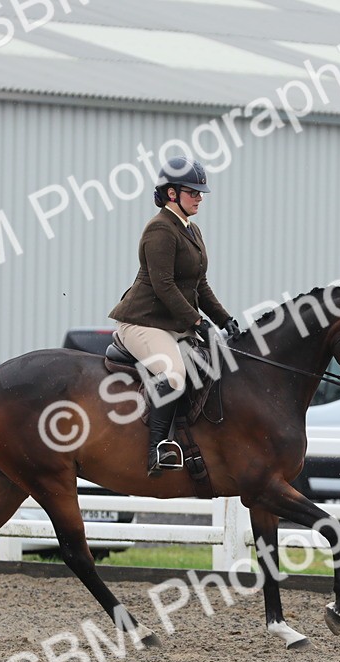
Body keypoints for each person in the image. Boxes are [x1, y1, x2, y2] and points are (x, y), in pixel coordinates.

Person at [109, 156, 241, 476]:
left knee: (216, 364)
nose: (199, 197)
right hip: (143, 321)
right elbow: (164, 286)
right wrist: (197, 323)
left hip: (170, 322)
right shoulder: (159, 229)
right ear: (172, 194)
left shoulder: (192, 230)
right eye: (193, 192)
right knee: (173, 375)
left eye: (200, 193)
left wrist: (224, 320)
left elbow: (200, 285)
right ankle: (158, 449)